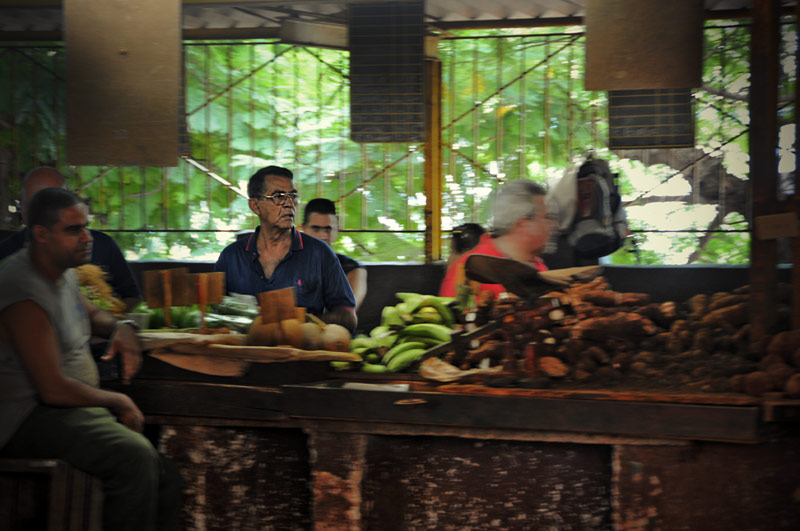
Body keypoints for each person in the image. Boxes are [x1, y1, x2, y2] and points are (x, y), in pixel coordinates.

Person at [0, 188, 182, 531]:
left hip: (68, 407)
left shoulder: (61, 271)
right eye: (74, 230)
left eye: (86, 226)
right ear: (41, 235)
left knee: (167, 477)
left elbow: (96, 313)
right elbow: (52, 389)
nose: (87, 238)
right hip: (26, 414)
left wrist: (121, 326)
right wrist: (117, 399)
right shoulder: (21, 289)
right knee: (135, 457)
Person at [215, 165, 357, 332]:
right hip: (245, 354)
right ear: (255, 205)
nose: (290, 204)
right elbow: (215, 315)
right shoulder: (231, 257)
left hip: (302, 354)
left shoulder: (320, 253)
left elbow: (347, 315)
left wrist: (302, 328)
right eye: (279, 196)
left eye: (293, 196)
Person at [0, 166, 142, 313]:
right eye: (35, 205)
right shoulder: (8, 260)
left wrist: (116, 322)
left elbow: (130, 299)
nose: (86, 239)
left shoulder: (99, 247)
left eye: (55, 204)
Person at [439, 179, 553, 298]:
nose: (552, 225)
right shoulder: (468, 271)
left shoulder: (538, 266)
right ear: (523, 223)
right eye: (546, 217)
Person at [301, 198, 368, 310]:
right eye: (315, 229)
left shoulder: (353, 270)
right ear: (304, 229)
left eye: (328, 230)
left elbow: (347, 313)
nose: (322, 236)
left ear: (337, 231)